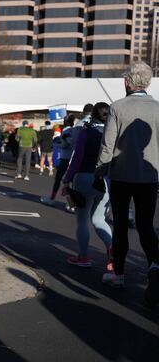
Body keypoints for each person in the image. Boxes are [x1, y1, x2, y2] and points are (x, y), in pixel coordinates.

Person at [95, 62, 159, 306]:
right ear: (149, 82)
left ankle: (118, 274)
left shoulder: (118, 107)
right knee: (146, 225)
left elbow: (107, 145)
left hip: (121, 175)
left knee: (120, 225)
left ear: (127, 82)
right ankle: (154, 264)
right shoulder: (157, 108)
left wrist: (99, 171)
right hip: (149, 177)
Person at [61, 103, 112, 270]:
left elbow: (77, 160)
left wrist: (67, 179)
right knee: (99, 219)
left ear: (93, 115)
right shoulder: (113, 133)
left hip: (85, 177)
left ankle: (83, 257)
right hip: (106, 180)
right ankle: (113, 253)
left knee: (82, 220)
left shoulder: (86, 132)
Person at [41, 114, 76, 208]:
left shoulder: (66, 130)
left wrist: (58, 145)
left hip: (65, 158)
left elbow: (65, 145)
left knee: (58, 179)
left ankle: (52, 199)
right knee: (71, 181)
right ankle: (71, 203)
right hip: (73, 158)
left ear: (66, 122)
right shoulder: (75, 129)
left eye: (64, 120)